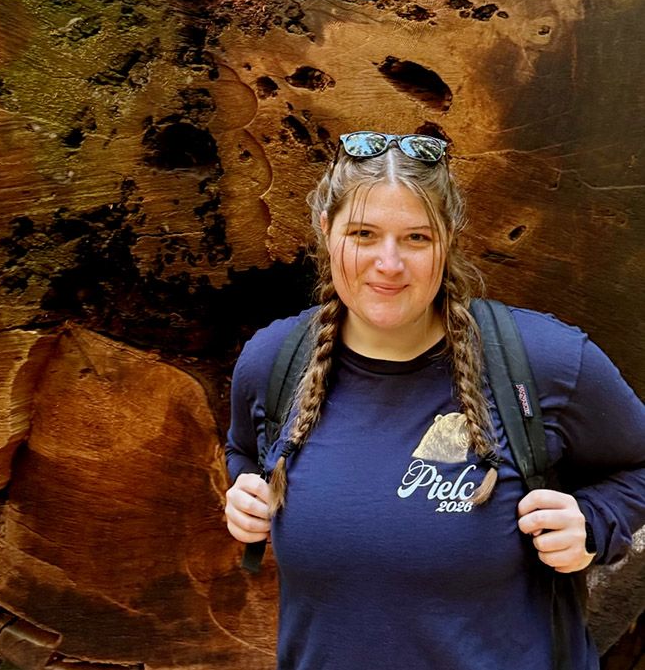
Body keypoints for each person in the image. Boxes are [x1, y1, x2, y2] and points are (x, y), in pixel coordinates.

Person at [223, 131, 645, 670]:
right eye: (364, 233)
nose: (389, 263)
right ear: (326, 232)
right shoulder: (274, 362)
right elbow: (243, 453)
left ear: (448, 239)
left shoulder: (547, 362)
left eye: (417, 238)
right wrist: (243, 495)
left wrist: (593, 524)